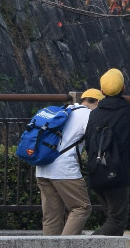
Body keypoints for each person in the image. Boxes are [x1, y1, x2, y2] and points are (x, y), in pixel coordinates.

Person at [81, 68, 130, 236]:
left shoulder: (95, 114)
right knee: (117, 222)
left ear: (102, 91)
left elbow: (89, 144)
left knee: (110, 217)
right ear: (124, 88)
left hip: (95, 172)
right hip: (116, 174)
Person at [34, 88, 96, 236]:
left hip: (42, 166)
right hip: (64, 169)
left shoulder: (66, 110)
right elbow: (95, 141)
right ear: (97, 102)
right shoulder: (88, 114)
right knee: (81, 207)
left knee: (52, 216)